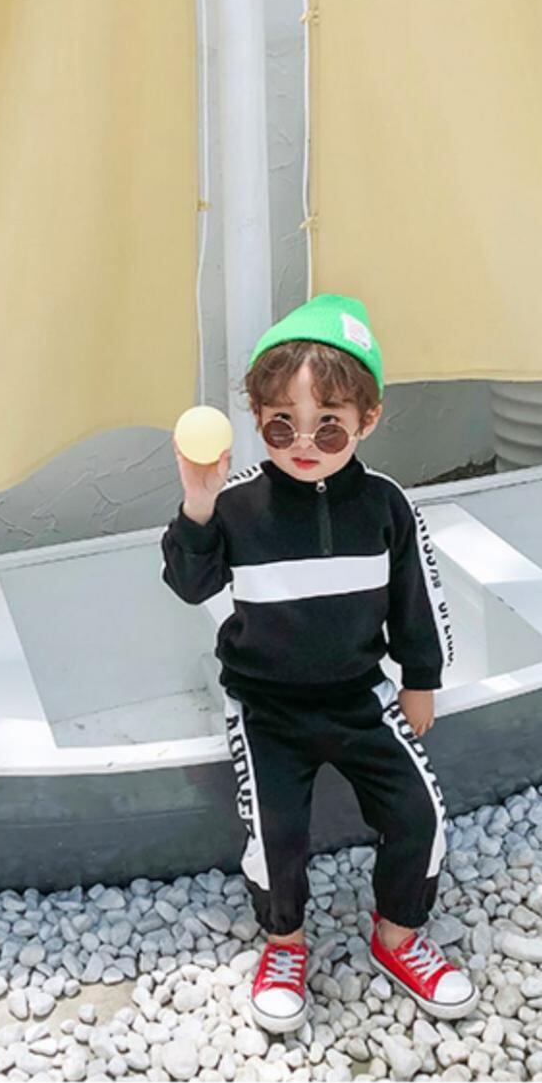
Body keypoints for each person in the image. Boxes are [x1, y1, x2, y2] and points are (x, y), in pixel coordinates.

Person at [162, 296, 475, 1035]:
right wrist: (198, 505)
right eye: (282, 424)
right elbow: (189, 584)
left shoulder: (387, 505)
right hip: (265, 705)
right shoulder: (237, 504)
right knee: (275, 837)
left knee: (420, 813)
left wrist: (420, 679)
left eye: (327, 424)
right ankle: (284, 944)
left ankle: (398, 935)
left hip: (361, 695)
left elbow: (415, 598)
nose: (304, 442)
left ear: (368, 419)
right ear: (256, 418)